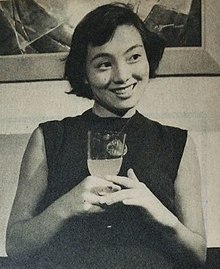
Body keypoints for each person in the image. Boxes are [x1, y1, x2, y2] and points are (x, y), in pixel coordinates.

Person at [6, 3, 206, 269]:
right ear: (84, 74)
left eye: (134, 57)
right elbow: (16, 248)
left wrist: (159, 213)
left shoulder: (176, 143)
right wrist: (65, 207)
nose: (123, 76)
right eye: (103, 64)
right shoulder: (49, 137)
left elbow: (199, 256)